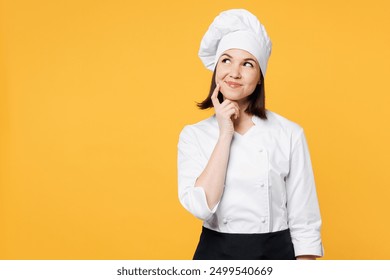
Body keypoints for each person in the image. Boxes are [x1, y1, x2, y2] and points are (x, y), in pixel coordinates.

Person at [177, 9, 324, 260]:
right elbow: (201, 206)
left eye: (248, 64)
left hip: (276, 254)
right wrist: (225, 133)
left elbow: (304, 218)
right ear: (216, 70)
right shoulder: (194, 135)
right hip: (216, 254)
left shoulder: (289, 133)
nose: (234, 72)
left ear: (259, 78)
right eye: (226, 60)